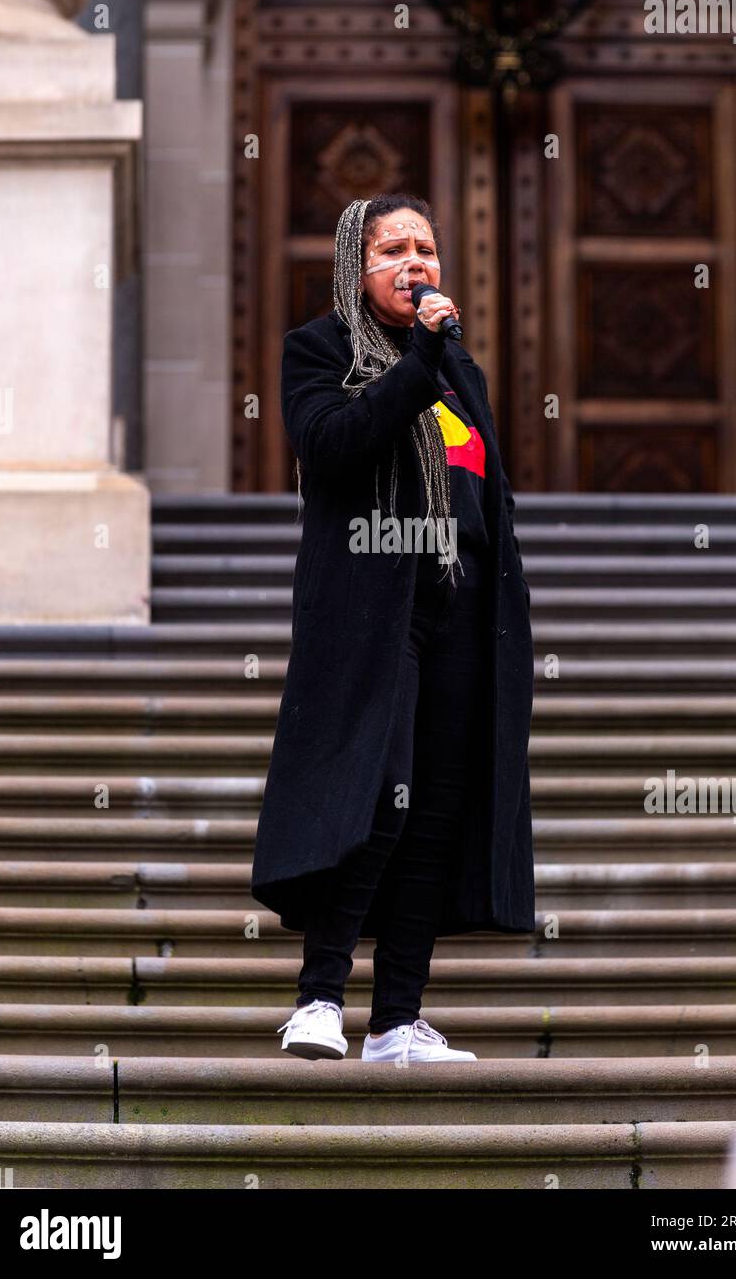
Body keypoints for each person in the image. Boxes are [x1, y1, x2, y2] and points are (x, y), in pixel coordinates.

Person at [251, 192, 535, 1065]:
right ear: (355, 264)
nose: (417, 263)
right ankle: (319, 999)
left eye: (427, 249)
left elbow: (486, 499)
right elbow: (334, 446)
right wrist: (416, 359)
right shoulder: (321, 352)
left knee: (436, 812)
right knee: (377, 797)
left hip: (461, 609)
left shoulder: (462, 371)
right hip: (376, 610)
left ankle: (399, 1018)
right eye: (395, 250)